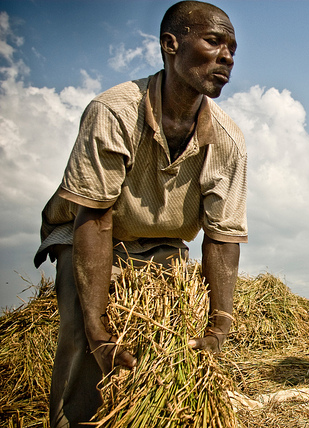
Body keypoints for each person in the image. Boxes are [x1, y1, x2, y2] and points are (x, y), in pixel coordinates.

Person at [33, 2, 246, 426]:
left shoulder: (227, 139)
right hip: (85, 229)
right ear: (170, 44)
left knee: (168, 341)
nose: (227, 57)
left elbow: (223, 236)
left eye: (233, 49)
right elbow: (94, 218)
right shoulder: (114, 112)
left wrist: (220, 325)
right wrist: (98, 331)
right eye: (213, 41)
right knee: (81, 333)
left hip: (162, 238)